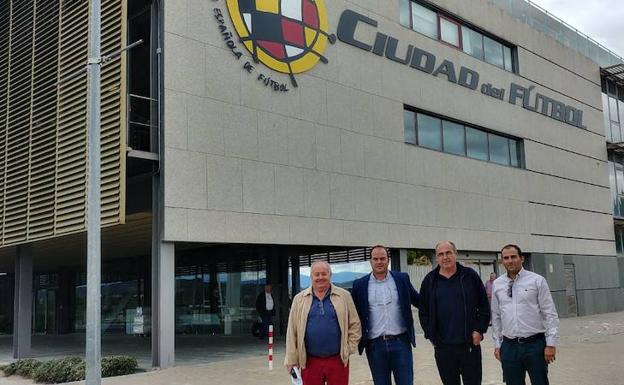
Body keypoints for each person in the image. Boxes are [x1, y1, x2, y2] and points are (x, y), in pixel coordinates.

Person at [419, 240, 490, 385]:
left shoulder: (470, 276)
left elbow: (484, 305)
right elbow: (423, 311)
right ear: (436, 257)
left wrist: (479, 330)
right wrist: (431, 334)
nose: (445, 257)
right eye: (441, 254)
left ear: (455, 254)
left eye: (448, 253)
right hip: (443, 347)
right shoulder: (430, 281)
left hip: (469, 345)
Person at [351, 245, 420, 385]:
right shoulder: (359, 285)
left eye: (382, 258)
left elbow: (419, 302)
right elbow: (352, 314)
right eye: (375, 259)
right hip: (375, 346)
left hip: (401, 343)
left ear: (388, 260)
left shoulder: (402, 279)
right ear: (370, 261)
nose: (379, 262)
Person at [491, 244, 559, 385]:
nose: (510, 261)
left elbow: (550, 314)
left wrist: (551, 344)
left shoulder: (537, 280)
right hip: (509, 346)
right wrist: (498, 344)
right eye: (506, 258)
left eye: (513, 257)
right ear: (502, 261)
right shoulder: (497, 284)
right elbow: (496, 316)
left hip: (534, 345)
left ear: (521, 258)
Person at [284, 261, 361, 385]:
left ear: (330, 275)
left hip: (338, 360)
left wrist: (348, 348)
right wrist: (291, 359)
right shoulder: (299, 299)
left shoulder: (344, 296)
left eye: (324, 274)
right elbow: (291, 331)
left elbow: (355, 324)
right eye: (317, 274)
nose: (320, 277)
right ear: (311, 277)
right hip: (309, 361)